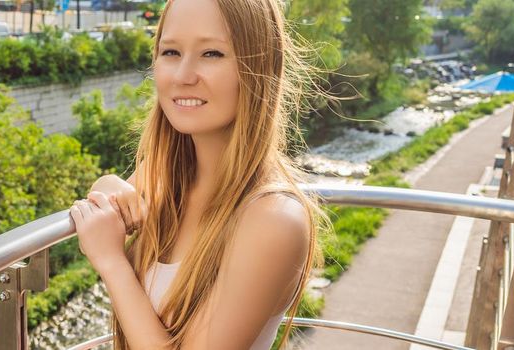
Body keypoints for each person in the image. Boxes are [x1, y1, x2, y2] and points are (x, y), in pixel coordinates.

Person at [68, 0, 326, 348]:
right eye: (171, 51)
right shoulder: (166, 176)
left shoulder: (273, 218)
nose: (183, 76)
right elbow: (112, 200)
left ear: (260, 66)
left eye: (212, 54)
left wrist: (112, 262)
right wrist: (106, 186)